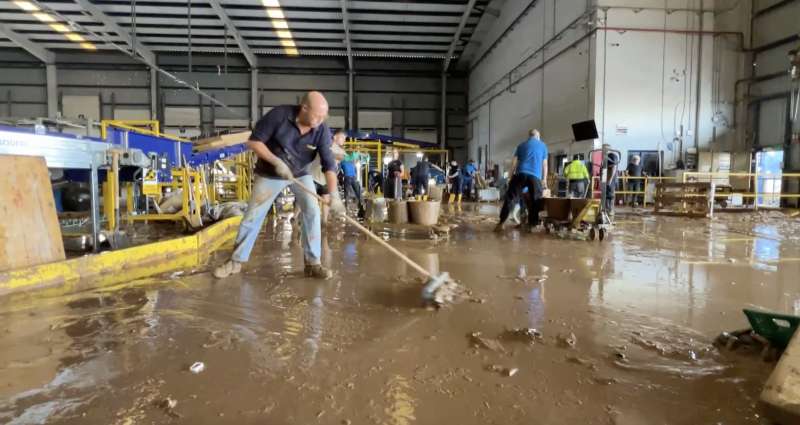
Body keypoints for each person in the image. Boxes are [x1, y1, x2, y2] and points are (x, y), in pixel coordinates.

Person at [213, 91, 344, 280]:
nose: (320, 120)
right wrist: (276, 162)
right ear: (304, 108)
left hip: (299, 173)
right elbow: (254, 142)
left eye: (324, 116)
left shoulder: (321, 128)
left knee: (312, 211)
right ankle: (235, 261)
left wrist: (335, 195)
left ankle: (313, 263)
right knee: (253, 214)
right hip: (270, 173)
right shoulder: (279, 116)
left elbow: (329, 164)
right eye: (317, 115)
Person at [495, 129, 548, 232]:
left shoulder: (521, 145)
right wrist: (544, 179)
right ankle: (532, 226)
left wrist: (510, 178)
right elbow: (545, 164)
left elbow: (514, 163)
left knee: (510, 198)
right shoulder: (543, 146)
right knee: (535, 201)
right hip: (534, 176)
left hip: (520, 174)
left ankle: (501, 223)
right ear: (538, 136)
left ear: (529, 136)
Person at [306, 130, 346, 226]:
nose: (344, 140)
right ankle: (295, 216)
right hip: (314, 177)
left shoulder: (341, 151)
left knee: (326, 200)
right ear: (335, 137)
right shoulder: (324, 144)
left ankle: (324, 221)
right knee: (307, 198)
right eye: (342, 137)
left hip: (327, 180)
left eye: (345, 138)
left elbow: (341, 157)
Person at [340, 149, 364, 215]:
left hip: (348, 177)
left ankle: (347, 207)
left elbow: (338, 170)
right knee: (357, 192)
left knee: (347, 193)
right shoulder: (352, 161)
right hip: (353, 178)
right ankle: (360, 206)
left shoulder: (343, 161)